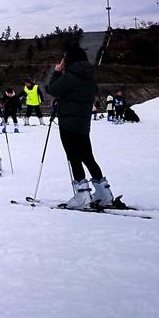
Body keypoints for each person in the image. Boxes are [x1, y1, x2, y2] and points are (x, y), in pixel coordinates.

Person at [46, 45, 116, 208]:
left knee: (74, 157)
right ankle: (105, 193)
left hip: (68, 123)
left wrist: (57, 72)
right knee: (88, 157)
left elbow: (52, 89)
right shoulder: (89, 78)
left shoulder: (70, 76)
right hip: (84, 123)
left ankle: (82, 195)